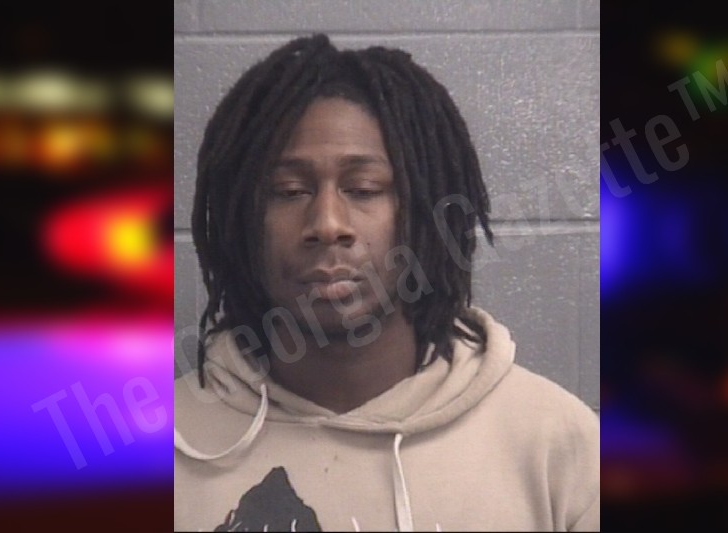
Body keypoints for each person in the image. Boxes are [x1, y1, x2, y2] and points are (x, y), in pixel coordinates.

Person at [174, 34, 599, 532]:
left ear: (429, 210)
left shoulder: (557, 445)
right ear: (238, 220)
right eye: (289, 191)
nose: (328, 224)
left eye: (364, 189)